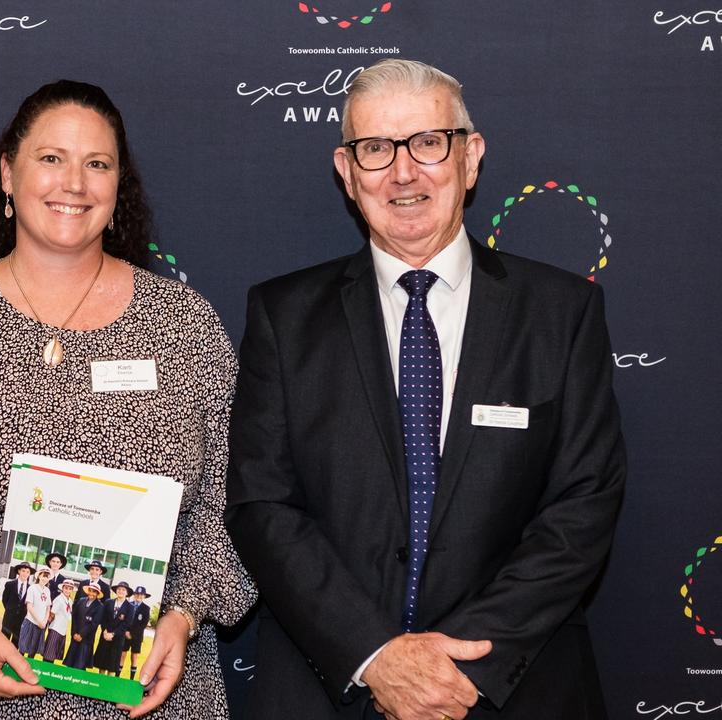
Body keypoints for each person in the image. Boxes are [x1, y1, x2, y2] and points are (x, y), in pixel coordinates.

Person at [225, 58, 626, 720]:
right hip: (334, 688)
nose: (403, 172)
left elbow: (583, 504)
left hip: (513, 688)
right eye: (376, 149)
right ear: (347, 172)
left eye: (428, 143)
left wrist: (462, 666)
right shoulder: (283, 316)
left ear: (470, 158)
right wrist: (376, 654)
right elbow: (263, 504)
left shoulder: (562, 312)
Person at [0, 79, 255, 719]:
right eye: (51, 158)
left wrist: (184, 615)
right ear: (8, 175)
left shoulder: (185, 326)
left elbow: (235, 496)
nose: (74, 182)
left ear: (119, 189)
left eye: (97, 164)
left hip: (149, 685)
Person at [93, 581, 135, 675]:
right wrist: (105, 631)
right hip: (105, 636)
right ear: (116, 591)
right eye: (119, 589)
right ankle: (99, 685)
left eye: (123, 590)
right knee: (102, 664)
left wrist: (113, 634)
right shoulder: (108, 602)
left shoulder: (130, 607)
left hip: (117, 639)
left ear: (127, 593)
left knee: (112, 667)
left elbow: (126, 624)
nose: (120, 591)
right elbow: (103, 618)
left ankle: (107, 688)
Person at [63, 582, 106, 671]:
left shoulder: (100, 606)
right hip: (75, 637)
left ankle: (79, 684)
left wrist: (81, 635)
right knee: (70, 664)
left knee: (80, 666)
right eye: (90, 591)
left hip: (86, 640)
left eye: (94, 592)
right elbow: (74, 618)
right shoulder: (81, 601)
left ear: (97, 594)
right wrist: (74, 633)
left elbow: (94, 624)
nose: (91, 593)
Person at [17, 567, 54, 657]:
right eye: (43, 576)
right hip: (30, 622)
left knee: (33, 651)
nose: (45, 578)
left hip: (41, 625)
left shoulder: (47, 590)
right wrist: (38, 621)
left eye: (47, 577)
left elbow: (48, 607)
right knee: (23, 649)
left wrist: (44, 621)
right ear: (39, 576)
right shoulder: (32, 588)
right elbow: (29, 606)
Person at [42, 579, 77, 663]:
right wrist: (49, 627)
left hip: (62, 630)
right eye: (66, 588)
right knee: (49, 654)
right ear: (62, 588)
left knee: (54, 654)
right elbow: (52, 613)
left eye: (70, 588)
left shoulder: (70, 601)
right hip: (55, 629)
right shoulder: (59, 599)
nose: (67, 590)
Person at [122, 587, 153, 680]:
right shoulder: (128, 604)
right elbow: (124, 620)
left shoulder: (146, 608)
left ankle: (131, 679)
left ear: (144, 596)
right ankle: (117, 676)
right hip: (125, 635)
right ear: (134, 595)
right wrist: (126, 631)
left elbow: (143, 624)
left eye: (141, 595)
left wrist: (132, 634)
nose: (139, 596)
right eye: (137, 594)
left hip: (137, 637)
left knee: (134, 656)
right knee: (122, 654)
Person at [0, 562, 33, 646]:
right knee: (3, 641)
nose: (25, 574)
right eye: (23, 571)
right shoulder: (10, 585)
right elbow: (5, 600)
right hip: (9, 619)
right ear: (19, 571)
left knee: (15, 644)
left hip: (21, 621)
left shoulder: (30, 588)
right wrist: (10, 610)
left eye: (27, 572)